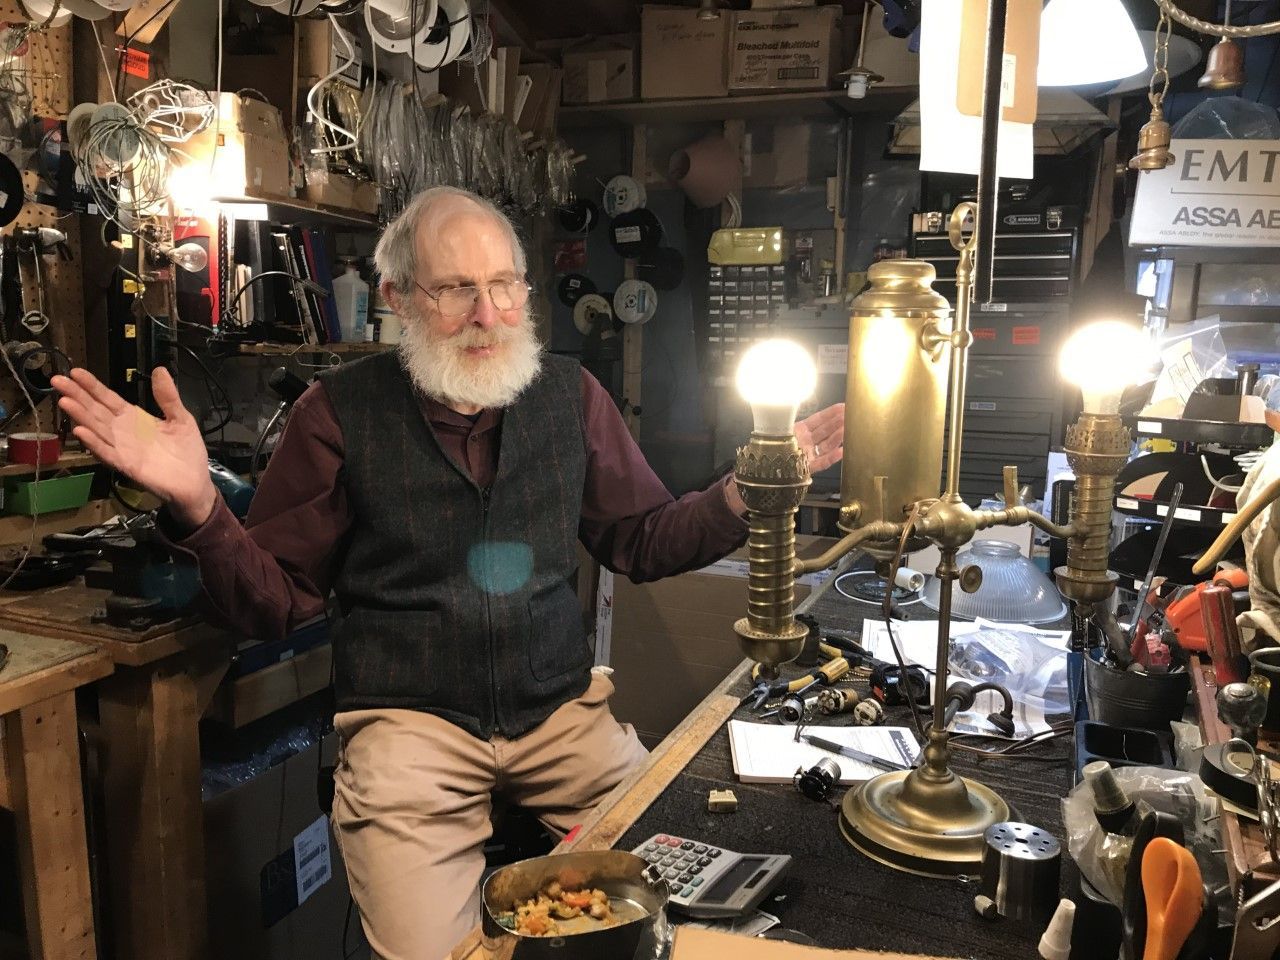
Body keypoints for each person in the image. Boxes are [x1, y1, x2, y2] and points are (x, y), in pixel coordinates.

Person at [52, 186, 845, 960]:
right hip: (408, 728)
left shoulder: (572, 396)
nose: (488, 314)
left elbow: (642, 540)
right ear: (397, 297)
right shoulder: (336, 414)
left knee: (695, 909)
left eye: (503, 285)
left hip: (561, 716)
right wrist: (199, 506)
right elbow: (276, 604)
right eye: (457, 289)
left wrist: (746, 492)